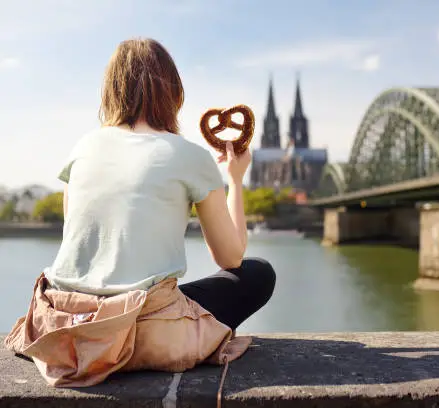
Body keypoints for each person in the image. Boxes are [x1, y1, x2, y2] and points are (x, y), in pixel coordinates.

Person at [5, 38, 275, 387]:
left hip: (64, 321)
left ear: (111, 90)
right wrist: (236, 181)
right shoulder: (189, 155)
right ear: (173, 90)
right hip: (142, 324)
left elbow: (79, 241)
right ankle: (144, 344)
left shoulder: (83, 147)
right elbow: (231, 258)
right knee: (257, 273)